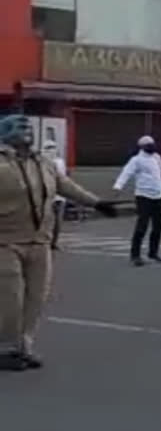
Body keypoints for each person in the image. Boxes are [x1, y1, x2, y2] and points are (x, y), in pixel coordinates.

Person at [0, 115, 117, 371]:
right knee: (11, 298)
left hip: (40, 241)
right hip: (5, 242)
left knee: (36, 297)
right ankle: (6, 348)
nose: (26, 132)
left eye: (28, 127)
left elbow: (65, 186)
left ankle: (24, 345)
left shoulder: (43, 162)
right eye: (19, 127)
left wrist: (97, 202)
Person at [113, 136, 161, 266]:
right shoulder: (136, 160)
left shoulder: (157, 157)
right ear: (142, 147)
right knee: (142, 225)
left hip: (158, 196)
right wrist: (118, 186)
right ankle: (135, 255)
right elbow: (126, 173)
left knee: (157, 226)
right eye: (149, 145)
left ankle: (153, 252)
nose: (152, 147)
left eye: (152, 144)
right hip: (143, 195)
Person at [41, 140, 67, 250]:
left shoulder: (60, 162)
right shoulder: (41, 162)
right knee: (46, 221)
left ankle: (54, 242)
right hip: (47, 196)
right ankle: (46, 242)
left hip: (59, 196)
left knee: (58, 222)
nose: (50, 150)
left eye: (52, 147)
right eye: (48, 148)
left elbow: (63, 179)